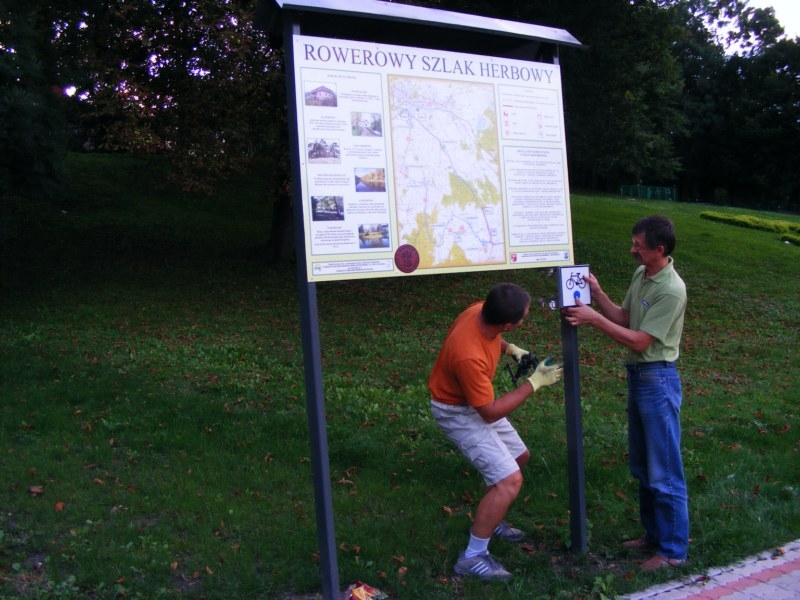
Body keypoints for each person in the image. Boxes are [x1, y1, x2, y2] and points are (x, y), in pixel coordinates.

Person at [563, 215, 689, 571]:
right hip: (639, 377)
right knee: (643, 465)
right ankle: (654, 536)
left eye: (639, 246)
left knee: (664, 469)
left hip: (658, 380)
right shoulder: (642, 274)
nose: (633, 250)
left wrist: (593, 318)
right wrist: (598, 295)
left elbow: (639, 340)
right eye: (633, 242)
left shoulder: (671, 289)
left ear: (659, 250)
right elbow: (625, 318)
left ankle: (673, 552)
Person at [428, 282, 563, 581]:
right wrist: (534, 384)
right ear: (507, 324)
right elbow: (489, 413)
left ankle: (490, 518)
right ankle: (472, 556)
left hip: (472, 404)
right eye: (523, 317)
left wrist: (510, 348)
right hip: (457, 412)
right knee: (509, 481)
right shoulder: (468, 356)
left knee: (519, 458)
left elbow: (491, 337)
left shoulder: (479, 311)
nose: (525, 319)